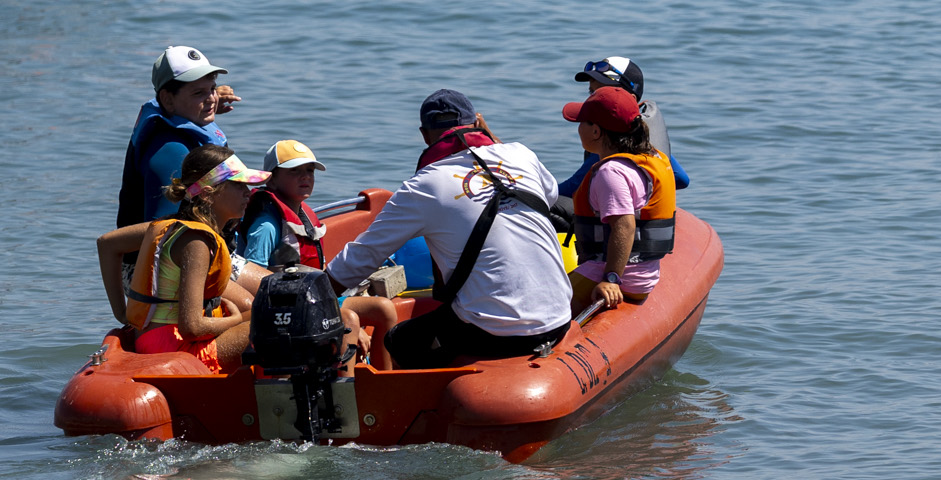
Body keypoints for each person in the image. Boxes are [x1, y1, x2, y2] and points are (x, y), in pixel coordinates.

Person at [319, 91, 573, 369]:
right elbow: (548, 198)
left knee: (400, 340)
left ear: (425, 135)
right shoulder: (520, 153)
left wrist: (313, 295)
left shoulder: (423, 187)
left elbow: (361, 257)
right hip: (560, 317)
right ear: (478, 123)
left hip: (497, 334)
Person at [236, 139, 398, 365]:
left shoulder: (301, 214)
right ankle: (344, 389)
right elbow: (252, 279)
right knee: (349, 322)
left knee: (384, 308)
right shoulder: (266, 226)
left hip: (314, 298)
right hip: (291, 308)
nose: (306, 177)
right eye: (295, 171)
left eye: (310, 170)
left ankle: (383, 382)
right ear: (271, 179)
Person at [93, 146, 259, 365]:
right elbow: (192, 328)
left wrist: (123, 314)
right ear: (209, 194)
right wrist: (235, 319)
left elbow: (107, 244)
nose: (248, 191)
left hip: (150, 339)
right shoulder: (197, 242)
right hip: (176, 350)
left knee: (261, 311)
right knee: (275, 321)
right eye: (238, 185)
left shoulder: (169, 225)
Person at [563, 85, 676, 313]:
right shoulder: (651, 156)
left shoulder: (611, 172)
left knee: (536, 309)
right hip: (643, 274)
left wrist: (611, 278)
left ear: (596, 132)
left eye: (583, 123)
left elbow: (624, 225)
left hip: (618, 275)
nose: (579, 129)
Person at [116, 45, 237, 227]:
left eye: (212, 88)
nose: (212, 98)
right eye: (198, 92)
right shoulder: (171, 151)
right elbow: (160, 233)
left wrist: (202, 103)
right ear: (168, 100)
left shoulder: (182, 117)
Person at [557, 56, 689, 196]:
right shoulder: (643, 134)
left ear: (630, 97)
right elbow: (680, 178)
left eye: (603, 93)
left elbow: (574, 187)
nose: (594, 99)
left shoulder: (610, 140)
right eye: (592, 93)